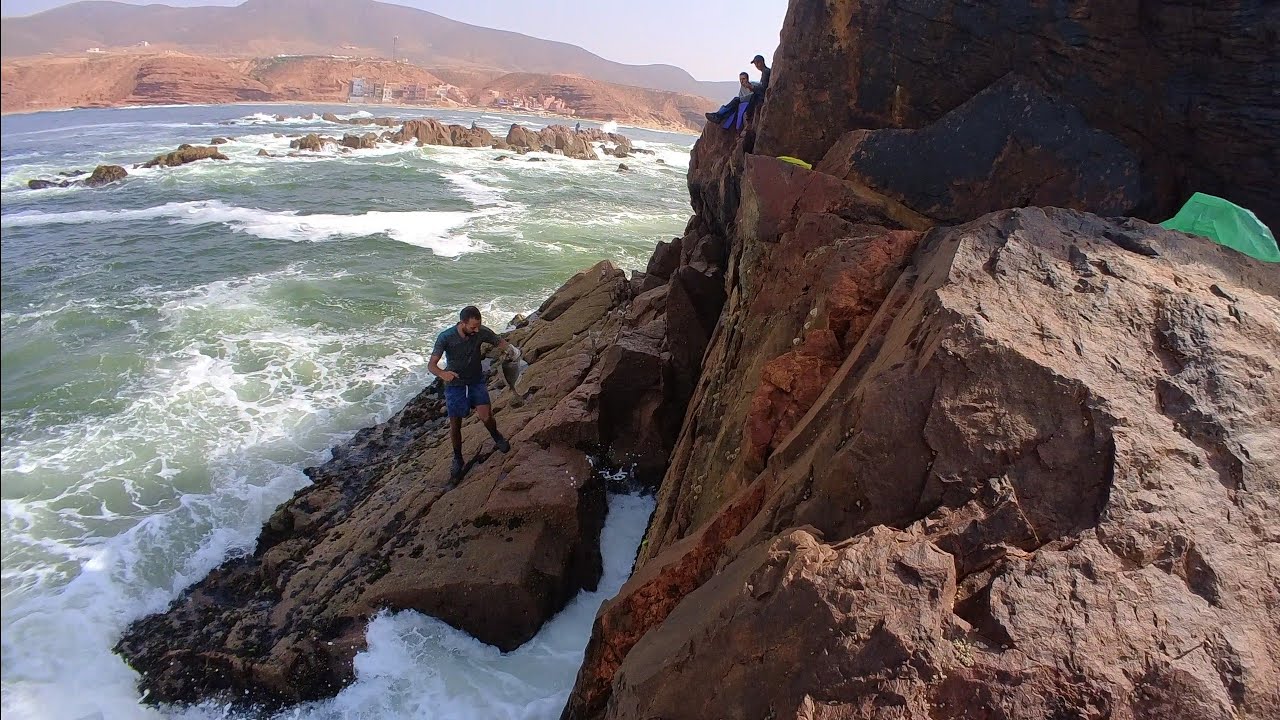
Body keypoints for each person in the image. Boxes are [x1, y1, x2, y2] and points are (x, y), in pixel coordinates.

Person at [429, 306, 519, 481]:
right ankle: (457, 458)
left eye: (478, 326)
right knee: (455, 424)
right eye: (472, 327)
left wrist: (510, 350)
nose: (476, 330)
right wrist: (442, 374)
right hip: (455, 385)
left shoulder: (480, 331)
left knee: (486, 416)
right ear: (462, 323)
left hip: (476, 380)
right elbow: (431, 365)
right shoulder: (445, 337)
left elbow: (498, 341)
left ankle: (497, 437)